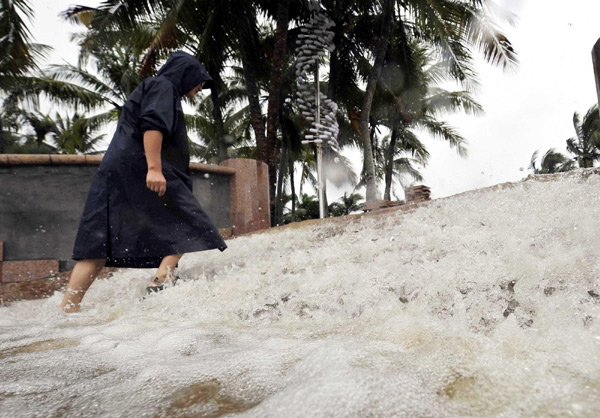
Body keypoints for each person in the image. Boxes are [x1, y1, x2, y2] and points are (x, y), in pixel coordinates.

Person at [60, 51, 227, 313]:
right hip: (141, 169)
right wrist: (154, 169)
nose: (201, 86)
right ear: (185, 74)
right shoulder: (163, 86)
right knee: (188, 220)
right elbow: (153, 126)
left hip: (123, 171)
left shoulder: (158, 88)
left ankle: (68, 309)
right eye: (199, 80)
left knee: (97, 242)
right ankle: (161, 280)